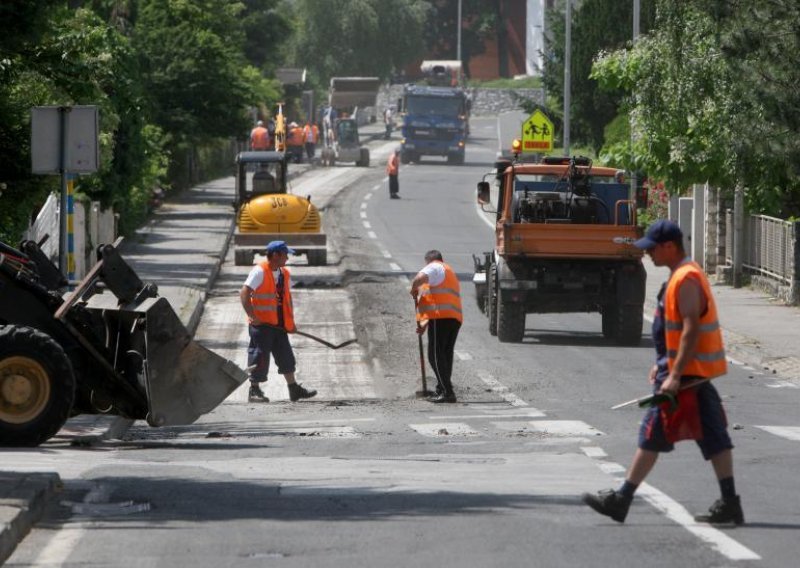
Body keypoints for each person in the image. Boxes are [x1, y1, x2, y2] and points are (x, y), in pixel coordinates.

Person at [582, 220, 743, 525]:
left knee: (651, 434)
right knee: (715, 438)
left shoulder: (686, 279)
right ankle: (730, 502)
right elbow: (676, 331)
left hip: (684, 381)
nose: (648, 255)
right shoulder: (681, 276)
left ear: (669, 247)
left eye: (652, 249)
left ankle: (622, 498)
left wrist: (673, 374)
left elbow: (691, 329)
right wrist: (663, 365)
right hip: (691, 376)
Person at [239, 240, 317, 403]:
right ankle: (254, 390)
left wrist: (291, 323)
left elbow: (286, 299)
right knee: (259, 357)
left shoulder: (284, 273)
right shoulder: (259, 271)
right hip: (262, 325)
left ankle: (294, 389)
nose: (287, 258)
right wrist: (252, 316)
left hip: (279, 325)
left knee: (286, 356)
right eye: (285, 254)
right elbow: (244, 293)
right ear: (275, 255)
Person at [409, 250, 463, 403]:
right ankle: (442, 388)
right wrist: (424, 324)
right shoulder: (448, 272)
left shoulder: (434, 267)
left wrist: (413, 288)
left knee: (434, 355)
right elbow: (429, 302)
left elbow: (419, 278)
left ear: (429, 260)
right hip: (453, 318)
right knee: (445, 355)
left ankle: (447, 392)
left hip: (441, 318)